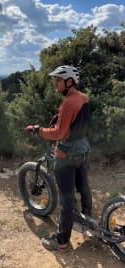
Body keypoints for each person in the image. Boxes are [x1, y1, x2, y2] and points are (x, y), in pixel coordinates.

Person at [24, 65, 93, 252]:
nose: (56, 84)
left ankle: (61, 241)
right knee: (84, 187)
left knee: (66, 199)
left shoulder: (69, 102)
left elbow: (59, 133)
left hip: (66, 155)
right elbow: (76, 125)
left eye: (59, 80)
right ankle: (88, 222)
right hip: (82, 150)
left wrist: (38, 130)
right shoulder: (83, 98)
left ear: (69, 82)